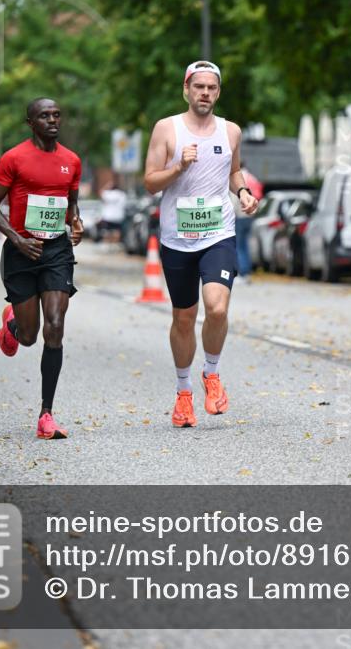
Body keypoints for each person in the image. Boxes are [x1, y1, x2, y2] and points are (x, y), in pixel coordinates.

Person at [143, 60, 258, 428]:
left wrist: (243, 192)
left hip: (218, 233)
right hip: (177, 238)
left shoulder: (231, 131)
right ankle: (183, 392)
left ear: (218, 92)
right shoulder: (167, 129)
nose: (205, 93)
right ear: (186, 90)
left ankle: (211, 372)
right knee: (183, 317)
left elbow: (233, 171)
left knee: (217, 308)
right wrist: (178, 166)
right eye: (198, 87)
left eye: (211, 87)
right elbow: (150, 182)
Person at [0, 97, 84, 440]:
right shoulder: (13, 158)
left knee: (54, 326)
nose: (53, 120)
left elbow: (71, 202)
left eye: (57, 115)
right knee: (29, 337)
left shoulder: (71, 160)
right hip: (21, 251)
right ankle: (13, 324)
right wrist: (16, 239)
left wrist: (76, 222)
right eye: (44, 116)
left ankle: (46, 414)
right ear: (31, 122)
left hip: (56, 250)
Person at [100, 179, 127, 244]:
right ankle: (115, 243)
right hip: (118, 216)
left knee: (106, 231)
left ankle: (107, 243)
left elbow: (101, 192)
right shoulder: (122, 194)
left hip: (108, 216)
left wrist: (106, 186)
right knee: (117, 231)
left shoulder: (108, 193)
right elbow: (124, 204)